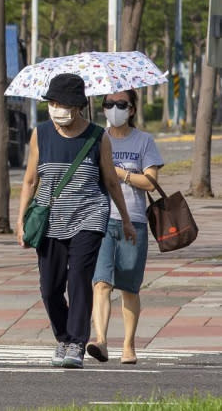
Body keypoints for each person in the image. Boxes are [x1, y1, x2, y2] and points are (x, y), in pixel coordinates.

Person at [16, 73, 137, 369]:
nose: (56, 108)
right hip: (50, 221)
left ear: (78, 106)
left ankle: (76, 344)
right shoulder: (40, 134)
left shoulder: (98, 137)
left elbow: (110, 181)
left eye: (62, 103)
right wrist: (20, 221)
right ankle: (63, 337)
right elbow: (31, 181)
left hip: (89, 217)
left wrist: (125, 219)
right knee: (50, 288)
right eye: (52, 102)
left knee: (79, 281)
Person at [86, 89, 163, 365]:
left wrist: (119, 173)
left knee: (129, 287)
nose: (113, 108)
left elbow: (150, 182)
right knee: (101, 283)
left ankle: (129, 345)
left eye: (120, 104)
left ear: (131, 109)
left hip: (134, 222)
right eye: (108, 103)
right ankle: (101, 340)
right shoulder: (96, 138)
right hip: (102, 220)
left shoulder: (144, 141)